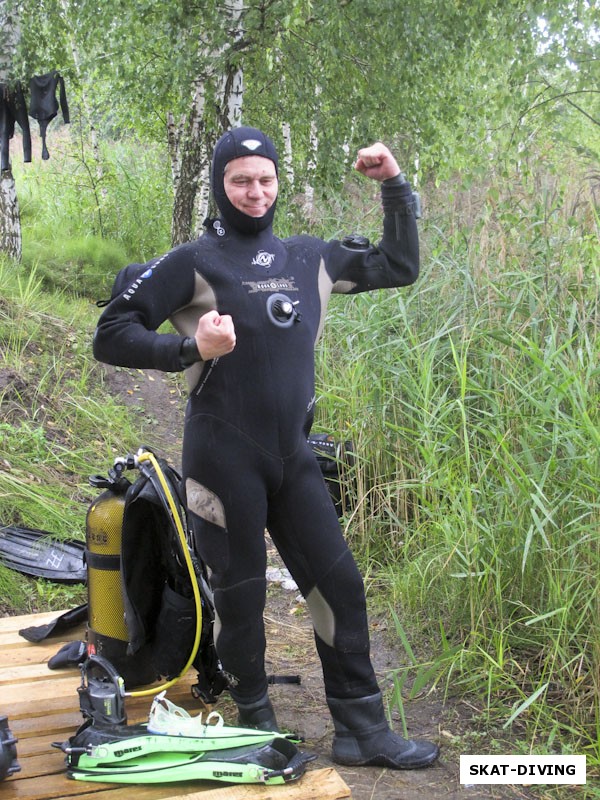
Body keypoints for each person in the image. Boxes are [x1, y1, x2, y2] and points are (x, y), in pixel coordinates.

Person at [93, 126, 440, 770]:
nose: (256, 192)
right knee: (241, 597)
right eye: (241, 180)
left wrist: (394, 185)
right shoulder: (191, 263)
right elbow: (111, 334)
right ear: (221, 185)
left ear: (278, 183)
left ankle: (361, 729)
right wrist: (190, 349)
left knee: (339, 584)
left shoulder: (311, 257)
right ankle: (254, 724)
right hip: (222, 461)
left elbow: (401, 265)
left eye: (266, 179)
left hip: (292, 458)